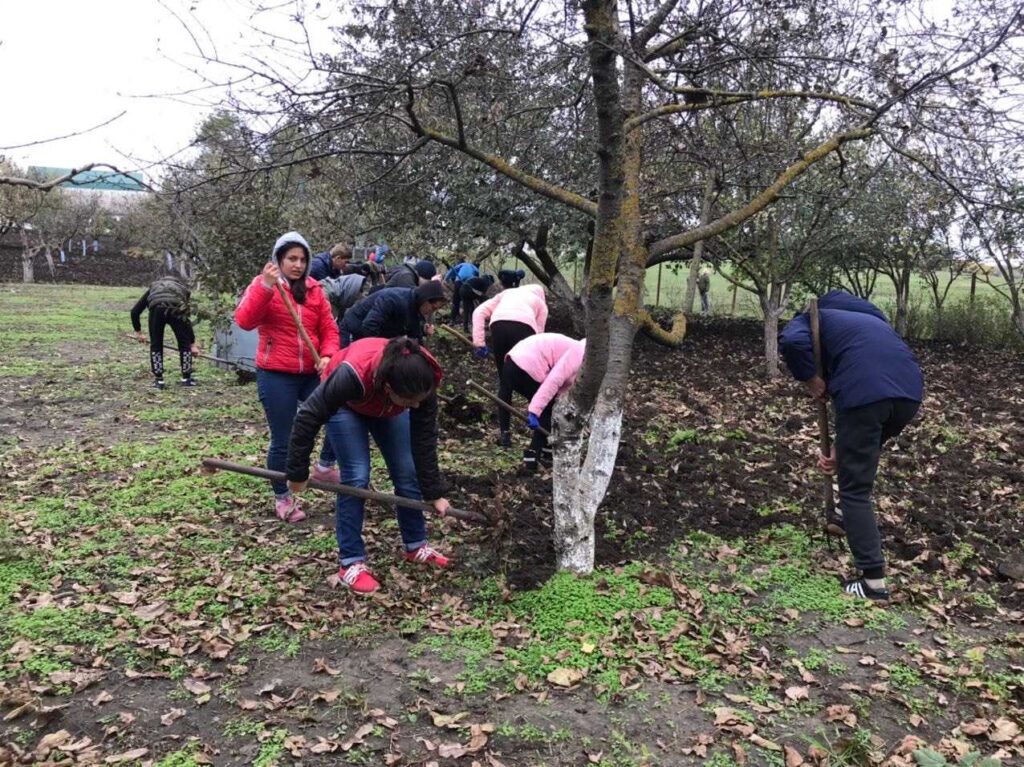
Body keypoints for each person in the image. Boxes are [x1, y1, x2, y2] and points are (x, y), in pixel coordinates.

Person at [779, 290, 924, 603]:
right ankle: (847, 517)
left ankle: (873, 583)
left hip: (865, 393)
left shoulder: (814, 317)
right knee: (856, 455)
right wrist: (839, 451)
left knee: (854, 489)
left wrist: (811, 380)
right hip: (908, 396)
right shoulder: (870, 319)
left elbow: (790, 342)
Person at [285, 336, 451, 594]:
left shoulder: (422, 379)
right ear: (388, 388)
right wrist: (297, 472)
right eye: (410, 402)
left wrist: (434, 492)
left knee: (407, 472)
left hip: (386, 410)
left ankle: (416, 545)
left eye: (419, 400)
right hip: (348, 405)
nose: (416, 406)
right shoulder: (350, 375)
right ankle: (350, 563)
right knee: (356, 476)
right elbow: (308, 416)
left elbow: (424, 439)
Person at [235, 231, 342, 524]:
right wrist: (265, 287)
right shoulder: (264, 285)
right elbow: (244, 321)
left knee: (338, 416)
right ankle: (283, 497)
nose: (297, 264)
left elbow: (330, 330)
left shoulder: (314, 289)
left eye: (302, 259)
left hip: (311, 372)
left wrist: (329, 355)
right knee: (284, 438)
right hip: (275, 374)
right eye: (291, 258)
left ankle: (325, 466)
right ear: (278, 260)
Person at [471, 284, 549, 446]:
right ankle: (538, 428)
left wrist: (479, 343)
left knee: (505, 383)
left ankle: (505, 434)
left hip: (498, 326)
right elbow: (539, 338)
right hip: (524, 329)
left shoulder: (505, 294)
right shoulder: (540, 303)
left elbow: (478, 312)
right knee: (532, 383)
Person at [500, 333, 586, 472]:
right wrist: (534, 410)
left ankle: (546, 450)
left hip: (513, 363)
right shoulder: (580, 354)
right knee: (546, 411)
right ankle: (532, 456)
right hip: (527, 365)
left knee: (550, 408)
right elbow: (554, 380)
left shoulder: (578, 350)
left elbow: (563, 388)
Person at [130, 274, 200, 389]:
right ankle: (186, 379)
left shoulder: (153, 288)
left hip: (156, 309)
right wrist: (191, 344)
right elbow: (186, 321)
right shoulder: (182, 290)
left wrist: (139, 332)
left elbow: (134, 311)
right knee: (184, 344)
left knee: (156, 344)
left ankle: (159, 381)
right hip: (176, 308)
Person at [340, 282, 448, 347]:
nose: (432, 312)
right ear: (425, 299)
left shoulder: (415, 308)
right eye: (433, 308)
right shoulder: (394, 299)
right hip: (353, 330)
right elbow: (369, 326)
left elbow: (415, 336)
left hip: (375, 334)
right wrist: (384, 349)